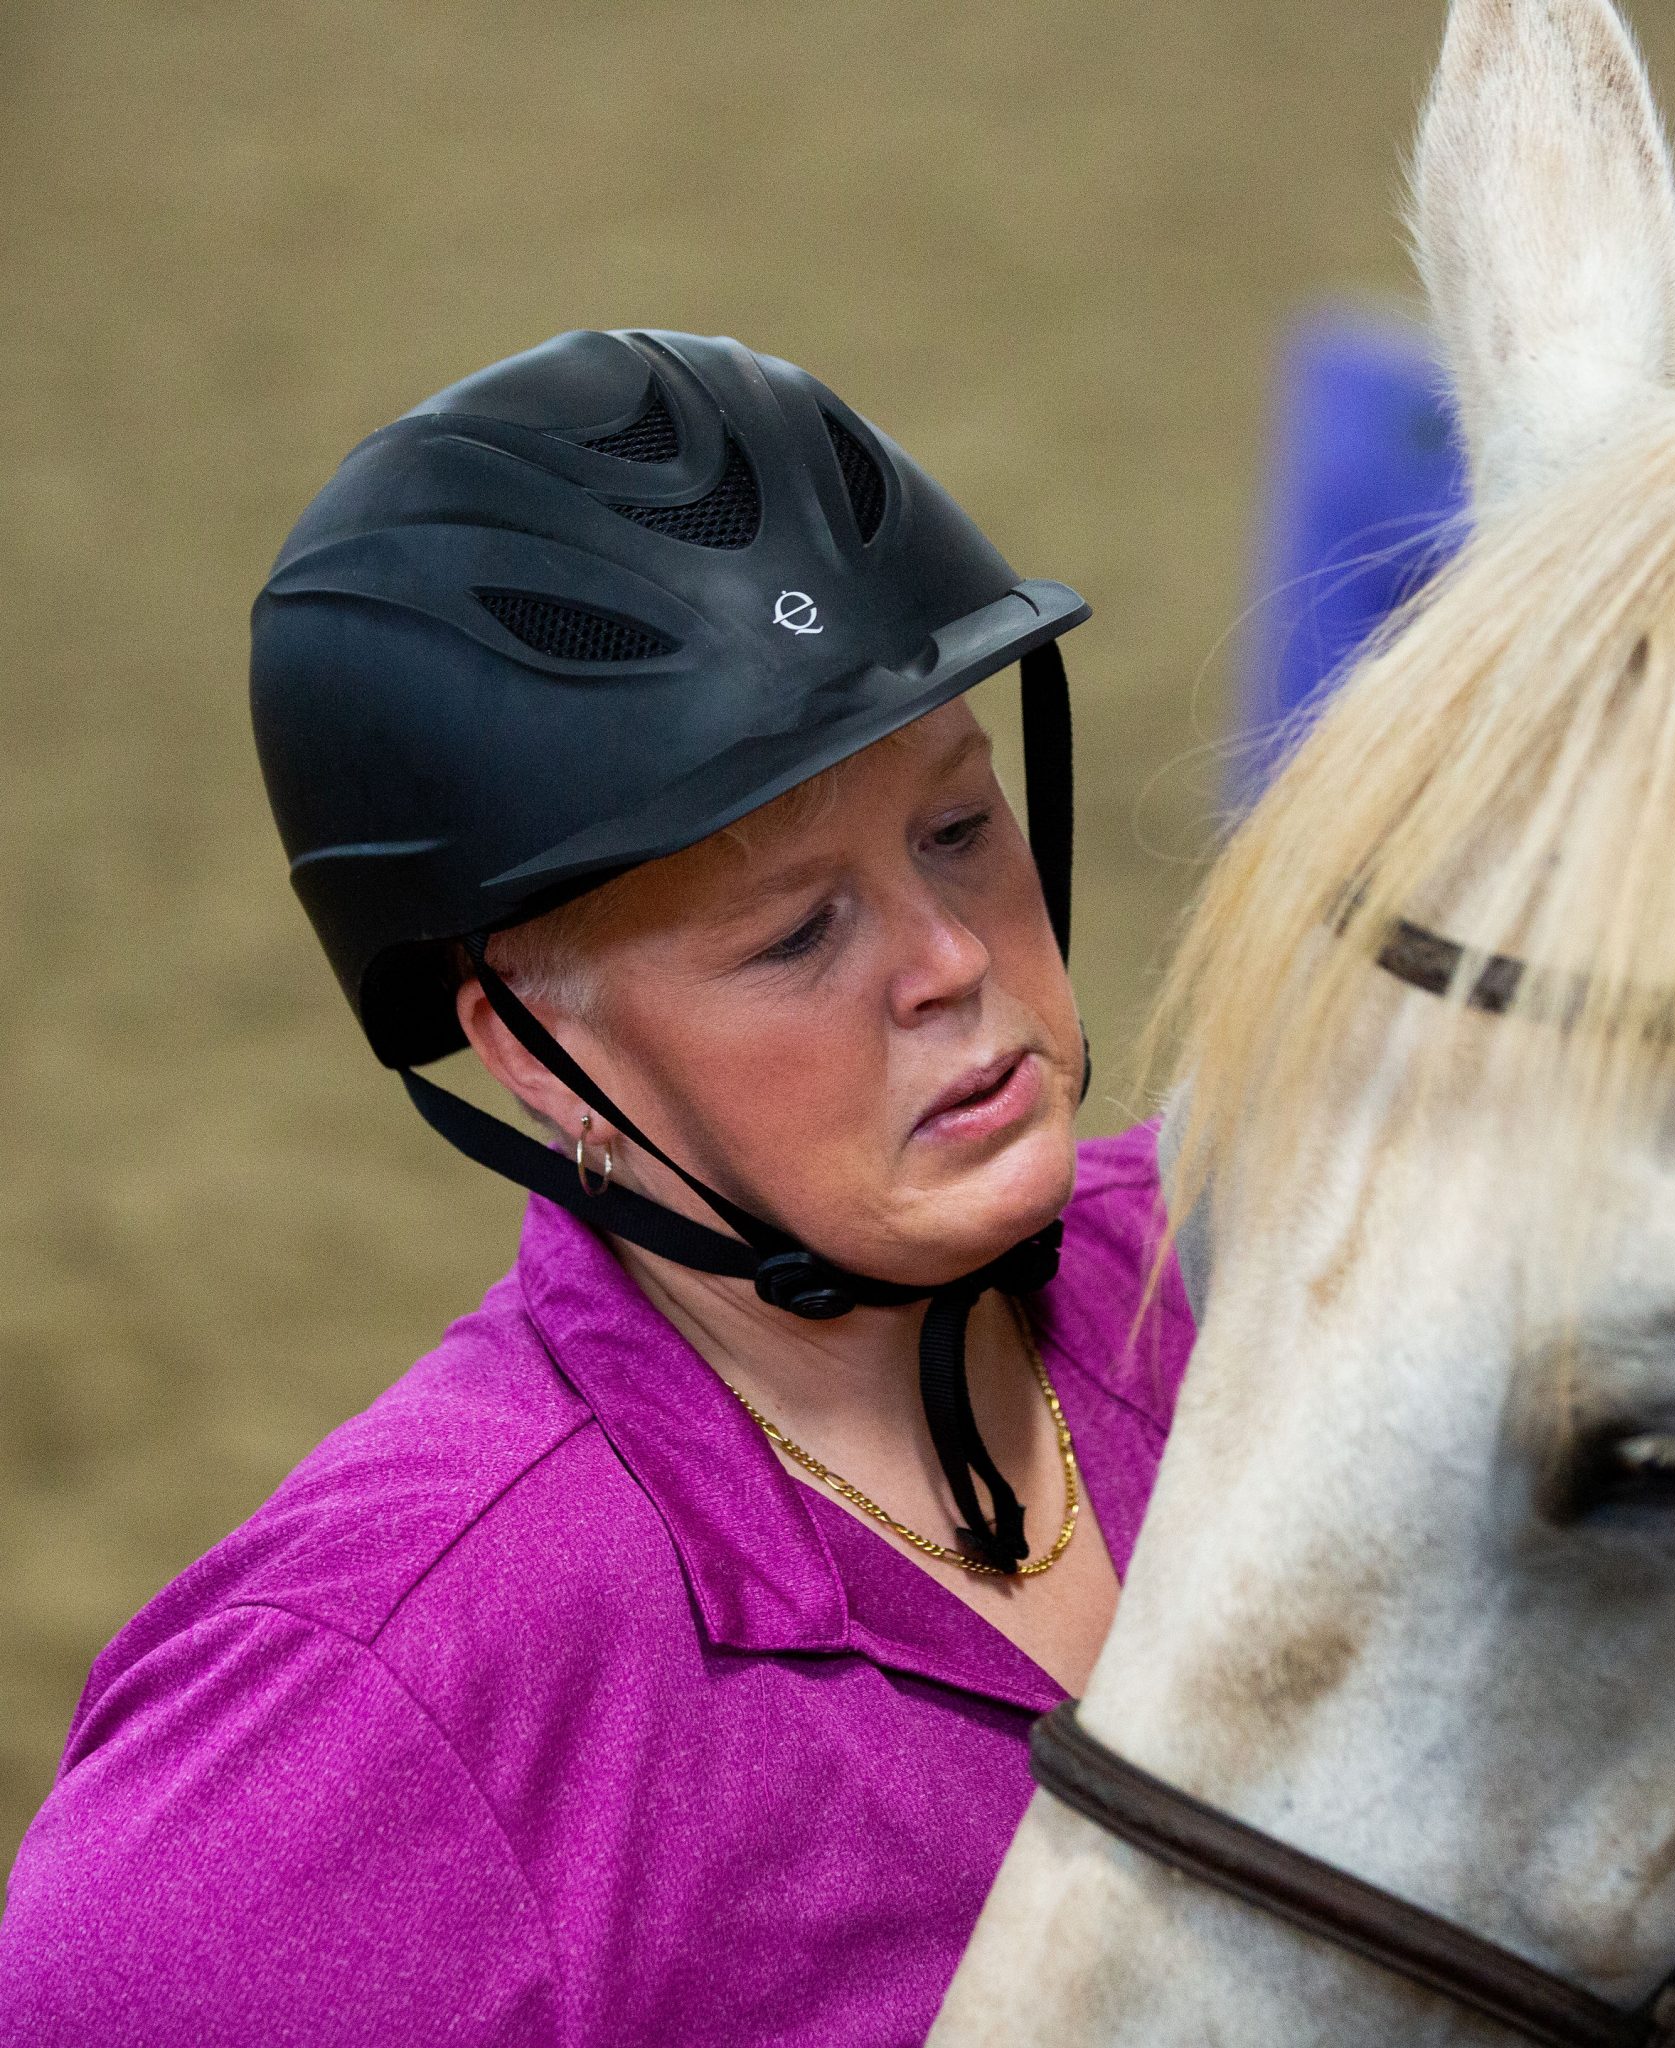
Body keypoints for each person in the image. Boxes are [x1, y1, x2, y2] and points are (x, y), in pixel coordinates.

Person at [0, 329, 1195, 2045]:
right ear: (535, 1052)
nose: (950, 958)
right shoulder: (355, 1736)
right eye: (794, 933)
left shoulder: (1283, 1268)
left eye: (957, 828)